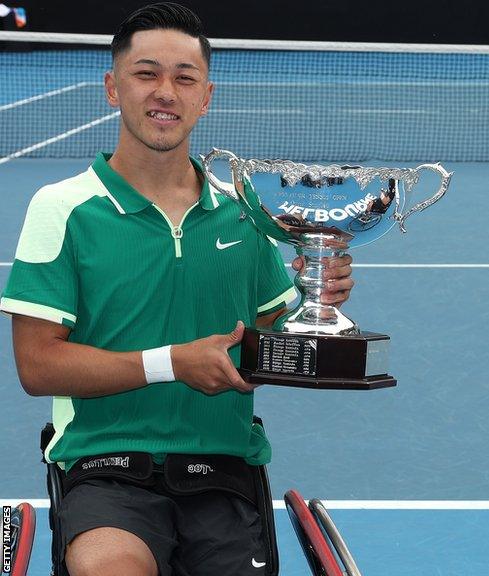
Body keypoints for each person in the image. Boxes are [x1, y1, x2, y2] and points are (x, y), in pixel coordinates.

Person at [0, 3, 354, 575]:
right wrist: (172, 363)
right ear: (113, 88)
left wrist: (319, 297)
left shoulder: (246, 213)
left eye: (183, 78)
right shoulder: (61, 208)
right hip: (104, 469)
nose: (165, 91)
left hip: (223, 470)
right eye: (146, 74)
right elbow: (37, 366)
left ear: (205, 97)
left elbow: (270, 340)